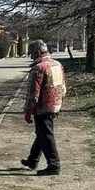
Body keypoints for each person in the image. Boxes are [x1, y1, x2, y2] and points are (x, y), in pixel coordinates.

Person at [21, 39, 66, 176]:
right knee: (42, 133)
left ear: (37, 52)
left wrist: (28, 111)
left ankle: (54, 165)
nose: (31, 56)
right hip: (55, 104)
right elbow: (63, 87)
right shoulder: (57, 64)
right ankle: (33, 160)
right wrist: (59, 101)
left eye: (32, 53)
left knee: (46, 135)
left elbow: (33, 94)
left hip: (43, 107)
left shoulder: (38, 68)